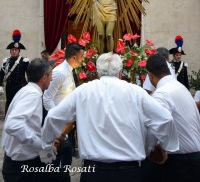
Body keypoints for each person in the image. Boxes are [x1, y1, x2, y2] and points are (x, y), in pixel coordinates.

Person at [41, 52, 179, 182]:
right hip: (130, 172)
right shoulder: (136, 91)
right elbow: (165, 118)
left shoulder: (83, 91)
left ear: (97, 72)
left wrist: (47, 146)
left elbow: (53, 116)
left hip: (94, 172)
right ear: (120, 72)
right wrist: (166, 147)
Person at [1, 58, 69, 182]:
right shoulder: (32, 94)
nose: (52, 79)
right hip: (20, 168)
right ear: (44, 78)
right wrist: (42, 145)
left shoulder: (27, 90)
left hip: (21, 164)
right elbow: (13, 125)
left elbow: (29, 123)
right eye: (50, 76)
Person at [144, 54, 200, 182]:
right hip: (193, 156)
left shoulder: (162, 94)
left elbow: (158, 124)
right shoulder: (180, 87)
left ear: (150, 75)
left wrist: (150, 148)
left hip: (180, 161)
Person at [43, 42, 85, 168]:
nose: (83, 59)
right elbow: (47, 98)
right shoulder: (59, 72)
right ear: (74, 58)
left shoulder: (70, 70)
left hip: (66, 123)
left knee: (66, 156)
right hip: (57, 124)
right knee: (56, 159)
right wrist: (57, 118)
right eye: (81, 56)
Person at [0, 29, 29, 113]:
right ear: (10, 51)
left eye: (16, 50)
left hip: (20, 86)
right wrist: (0, 85)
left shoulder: (24, 60)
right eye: (12, 50)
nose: (14, 51)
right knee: (9, 103)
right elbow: (1, 74)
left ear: (19, 51)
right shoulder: (6, 61)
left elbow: (29, 74)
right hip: (9, 87)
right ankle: (8, 119)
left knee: (19, 104)